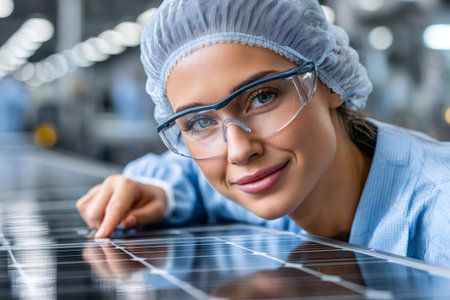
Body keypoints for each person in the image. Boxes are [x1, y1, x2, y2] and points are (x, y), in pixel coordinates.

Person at [77, 0, 450, 267]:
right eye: (199, 122)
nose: (238, 150)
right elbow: (191, 177)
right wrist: (161, 193)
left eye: (263, 96)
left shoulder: (440, 221)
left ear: (329, 81)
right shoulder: (285, 178)